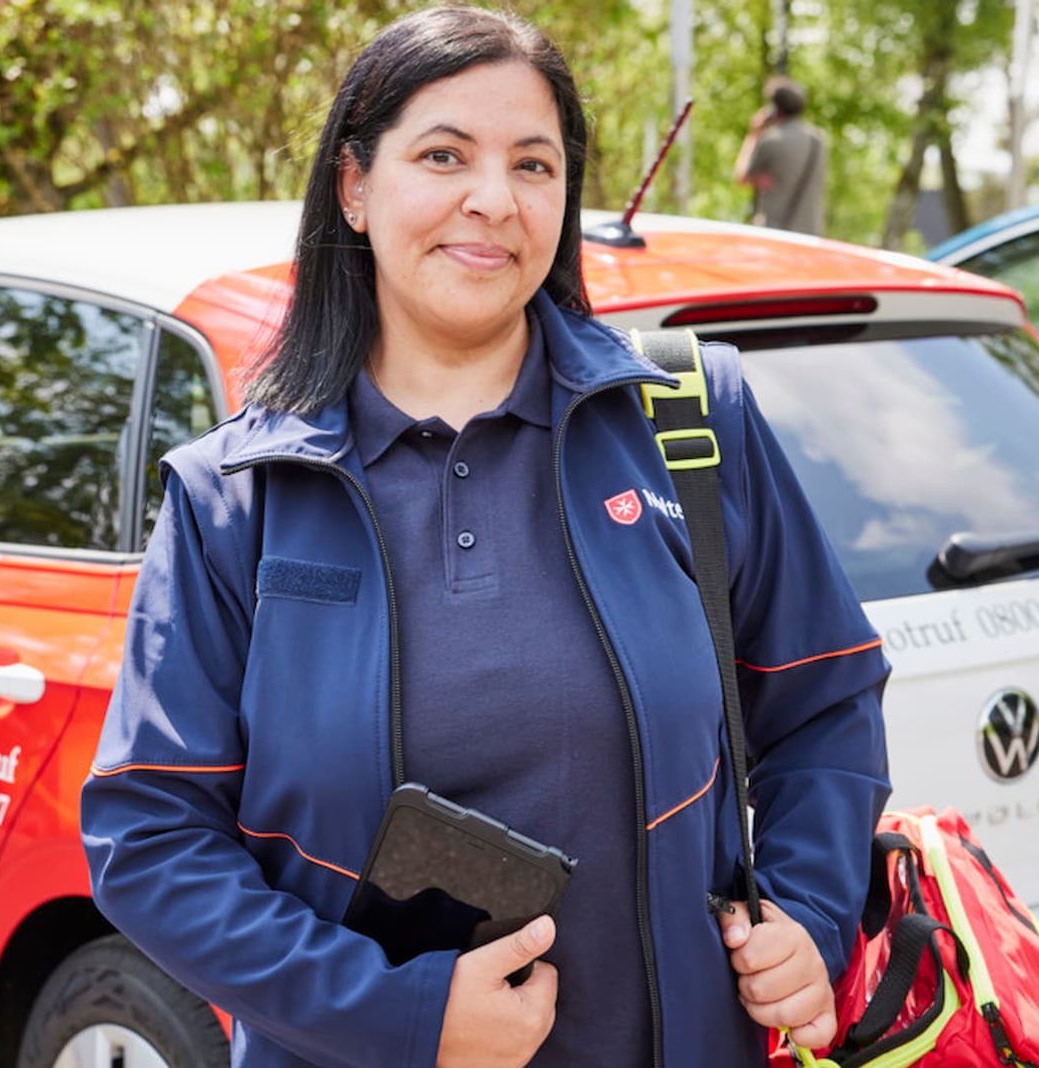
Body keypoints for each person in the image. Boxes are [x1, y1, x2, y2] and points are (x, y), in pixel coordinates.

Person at [80, 7, 889, 1065]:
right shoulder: (234, 497)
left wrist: (809, 917)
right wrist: (403, 1015)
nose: (494, 200)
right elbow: (151, 843)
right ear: (354, 186)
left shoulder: (691, 425)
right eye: (443, 155)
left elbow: (825, 701)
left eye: (534, 165)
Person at [734, 76, 826, 235]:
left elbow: (741, 176)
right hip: (809, 232)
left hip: (775, 231)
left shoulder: (772, 140)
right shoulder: (817, 140)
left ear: (774, 109)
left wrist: (753, 133)